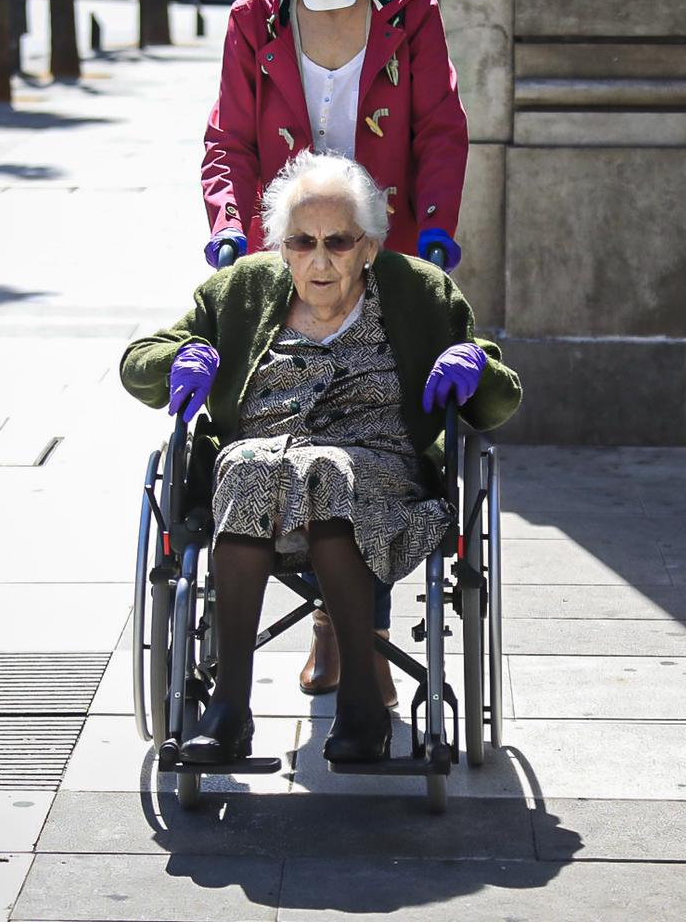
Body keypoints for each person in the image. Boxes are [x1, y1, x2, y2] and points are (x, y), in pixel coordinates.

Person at [122, 152, 521, 763]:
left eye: (338, 241)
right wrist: (178, 359)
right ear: (282, 247)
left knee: (324, 469)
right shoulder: (240, 290)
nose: (320, 258)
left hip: (379, 478)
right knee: (249, 465)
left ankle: (363, 703)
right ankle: (228, 708)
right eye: (302, 241)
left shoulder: (419, 291)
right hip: (256, 478)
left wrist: (473, 365)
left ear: (370, 246)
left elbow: (498, 397)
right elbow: (139, 361)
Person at [202, 0, 470, 700]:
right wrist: (231, 231)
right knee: (288, 421)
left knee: (371, 427)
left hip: (381, 247)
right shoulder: (253, 22)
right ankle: (332, 630)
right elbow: (228, 140)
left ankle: (357, 637)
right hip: (291, 250)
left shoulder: (410, 10)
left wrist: (436, 227)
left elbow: (439, 123)